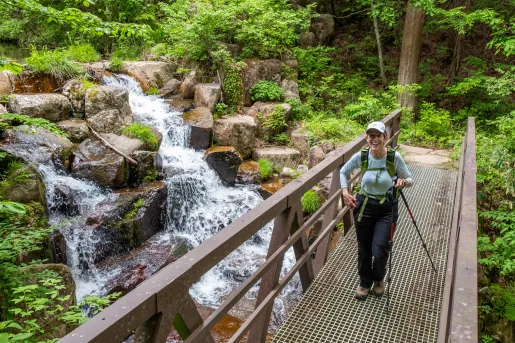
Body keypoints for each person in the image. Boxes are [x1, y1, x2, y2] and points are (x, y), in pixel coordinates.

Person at [339, 121, 413, 300]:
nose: (375, 139)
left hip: (387, 208)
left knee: (381, 248)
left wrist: (404, 182)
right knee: (364, 248)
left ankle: (379, 279)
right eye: (371, 136)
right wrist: (345, 192)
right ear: (367, 138)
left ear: (385, 137)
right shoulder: (362, 156)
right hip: (364, 206)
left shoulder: (394, 158)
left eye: (378, 136)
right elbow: (343, 171)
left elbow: (410, 178)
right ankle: (365, 282)